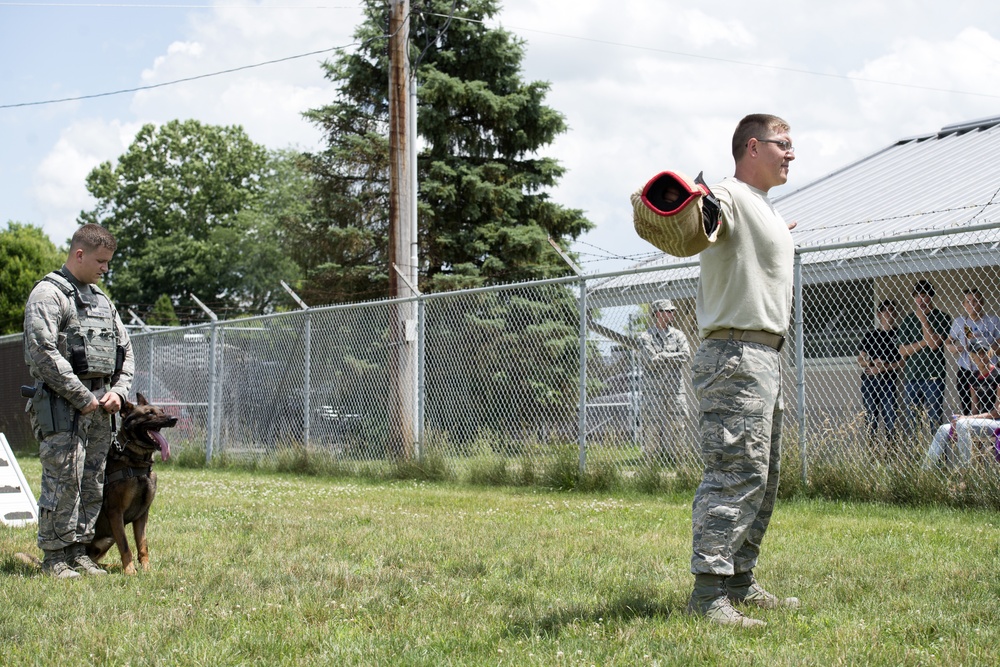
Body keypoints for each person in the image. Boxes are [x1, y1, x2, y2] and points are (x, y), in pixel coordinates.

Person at [685, 114, 800, 628]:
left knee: (764, 477)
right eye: (783, 144)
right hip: (734, 356)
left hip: (765, 359)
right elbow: (699, 216)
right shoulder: (729, 195)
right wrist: (693, 202)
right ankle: (708, 597)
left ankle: (740, 580)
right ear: (752, 147)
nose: (791, 154)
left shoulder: (764, 208)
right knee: (734, 472)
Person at [23, 223, 134, 578]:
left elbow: (126, 350)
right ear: (79, 254)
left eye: (109, 262)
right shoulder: (48, 294)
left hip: (102, 408)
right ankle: (54, 557)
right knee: (62, 480)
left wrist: (118, 391)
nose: (105, 268)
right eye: (101, 261)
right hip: (62, 406)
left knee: (92, 480)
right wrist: (82, 396)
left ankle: (80, 552)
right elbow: (42, 351)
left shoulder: (103, 301)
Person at [587, 299, 693, 464]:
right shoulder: (646, 337)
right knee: (652, 427)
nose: (672, 314)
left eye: (673, 311)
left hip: (675, 389)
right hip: (653, 391)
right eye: (668, 311)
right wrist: (671, 357)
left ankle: (682, 465)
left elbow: (686, 356)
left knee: (678, 425)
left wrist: (663, 355)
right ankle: (649, 466)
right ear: (658, 313)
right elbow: (650, 361)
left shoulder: (678, 335)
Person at [924, 338, 1000, 468]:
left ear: (990, 353)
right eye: (977, 353)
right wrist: (965, 418)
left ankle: (967, 470)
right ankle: (925, 471)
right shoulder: (973, 377)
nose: (981, 355)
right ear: (971, 357)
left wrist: (966, 418)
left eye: (984, 352)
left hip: (996, 423)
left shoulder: (997, 375)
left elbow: (997, 412)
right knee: (943, 429)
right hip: (981, 422)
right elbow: (974, 409)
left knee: (963, 424)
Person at [897, 280, 952, 437]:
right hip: (912, 377)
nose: (921, 300)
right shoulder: (907, 320)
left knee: (934, 419)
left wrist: (923, 320)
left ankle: (938, 460)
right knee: (913, 421)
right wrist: (923, 342)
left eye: (924, 296)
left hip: (934, 376)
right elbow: (902, 351)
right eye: (917, 297)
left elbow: (934, 344)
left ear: (931, 297)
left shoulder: (941, 317)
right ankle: (917, 457)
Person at [945, 288, 1000, 415]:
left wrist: (991, 349)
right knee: (969, 410)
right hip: (967, 370)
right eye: (968, 301)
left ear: (982, 303)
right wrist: (954, 348)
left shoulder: (993, 321)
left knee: (991, 409)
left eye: (976, 301)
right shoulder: (960, 322)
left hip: (988, 370)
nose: (972, 305)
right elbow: (948, 342)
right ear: (963, 304)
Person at [857, 299, 903, 442]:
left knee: (890, 418)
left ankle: (891, 453)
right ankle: (872, 451)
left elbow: (902, 362)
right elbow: (860, 360)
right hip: (869, 382)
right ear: (879, 314)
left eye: (892, 310)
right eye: (886, 310)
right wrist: (871, 363)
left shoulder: (899, 334)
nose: (889, 313)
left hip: (888, 382)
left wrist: (884, 367)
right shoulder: (871, 335)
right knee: (871, 419)